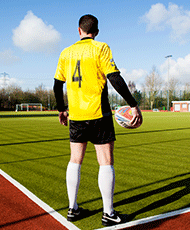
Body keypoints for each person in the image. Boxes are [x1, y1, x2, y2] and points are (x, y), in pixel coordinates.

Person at [53, 14, 142, 226]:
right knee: (105, 162)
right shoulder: (101, 48)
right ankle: (108, 213)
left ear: (78, 30)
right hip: (99, 115)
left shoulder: (66, 52)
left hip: (75, 116)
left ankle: (72, 209)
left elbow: (57, 85)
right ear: (97, 32)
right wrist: (133, 104)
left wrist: (61, 110)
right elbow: (115, 79)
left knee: (75, 160)